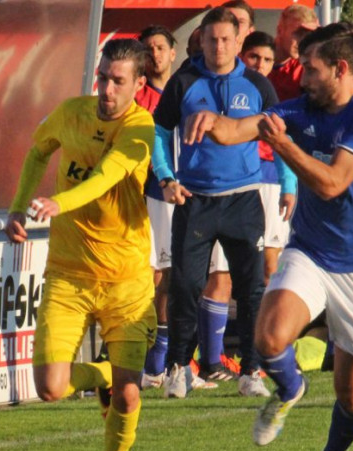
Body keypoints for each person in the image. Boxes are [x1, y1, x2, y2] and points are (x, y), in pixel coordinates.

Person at [185, 23, 353, 451]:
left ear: (341, 69)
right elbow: (245, 126)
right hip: (312, 253)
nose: (302, 79)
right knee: (269, 334)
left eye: (313, 70)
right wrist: (210, 121)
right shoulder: (304, 107)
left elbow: (331, 182)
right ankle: (290, 388)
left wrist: (283, 146)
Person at [4, 39, 156, 451]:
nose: (107, 90)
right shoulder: (71, 112)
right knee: (50, 388)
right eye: (103, 78)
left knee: (130, 398)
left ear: (139, 85)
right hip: (68, 274)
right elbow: (36, 152)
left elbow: (106, 176)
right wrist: (16, 208)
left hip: (126, 281)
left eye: (119, 81)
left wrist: (56, 202)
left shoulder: (140, 128)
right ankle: (102, 376)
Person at [152, 7, 279, 399]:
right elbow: (158, 133)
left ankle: (252, 371)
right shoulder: (183, 82)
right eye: (212, 39)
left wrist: (289, 184)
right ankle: (177, 369)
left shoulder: (258, 85)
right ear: (201, 40)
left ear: (240, 41)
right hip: (195, 201)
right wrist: (166, 178)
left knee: (251, 288)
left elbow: (280, 136)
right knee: (186, 286)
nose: (219, 46)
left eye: (227, 39)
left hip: (243, 200)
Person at [196, 30, 296, 395]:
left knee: (269, 271)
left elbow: (283, 143)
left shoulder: (269, 97)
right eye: (255, 58)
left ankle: (266, 352)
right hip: (237, 189)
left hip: (270, 185)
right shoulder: (222, 89)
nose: (260, 65)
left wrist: (289, 186)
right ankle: (212, 360)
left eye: (268, 60)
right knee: (221, 273)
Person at [135, 25, 179, 389]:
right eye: (148, 49)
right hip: (154, 193)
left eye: (160, 47)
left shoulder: (185, 93)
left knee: (182, 275)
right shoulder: (138, 98)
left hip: (189, 192)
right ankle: (152, 361)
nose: (155, 54)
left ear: (173, 53)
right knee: (158, 273)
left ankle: (177, 358)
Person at [268, 4, 319, 101]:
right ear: (280, 30)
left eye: (308, 36)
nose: (303, 41)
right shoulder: (253, 57)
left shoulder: (306, 68)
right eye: (298, 34)